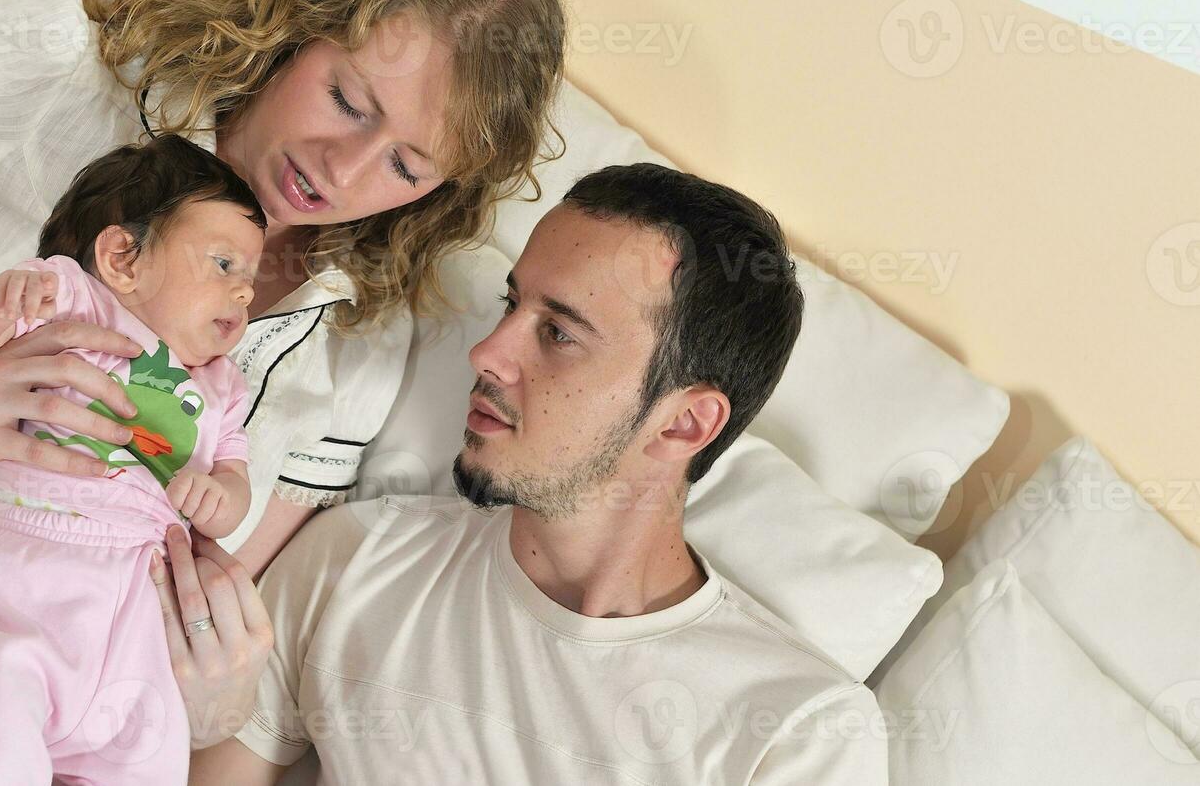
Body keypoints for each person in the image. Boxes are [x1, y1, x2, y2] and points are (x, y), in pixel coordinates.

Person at [0, 0, 566, 781]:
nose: (343, 169)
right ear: (299, 24)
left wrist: (214, 697)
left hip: (73, 736)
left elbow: (197, 583)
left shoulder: (360, 344)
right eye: (349, 100)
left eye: (406, 166)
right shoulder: (70, 74)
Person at [187, 164, 890, 784]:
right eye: (510, 305)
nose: (488, 353)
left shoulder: (799, 732)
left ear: (684, 424)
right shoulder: (361, 558)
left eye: (557, 333)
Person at [0, 134, 267, 783]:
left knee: (147, 760)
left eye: (250, 279)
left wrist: (222, 497)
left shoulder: (223, 386)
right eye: (224, 265)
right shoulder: (78, 298)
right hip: (30, 573)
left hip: (142, 610)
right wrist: (3, 300)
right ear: (122, 259)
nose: (245, 293)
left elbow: (235, 480)